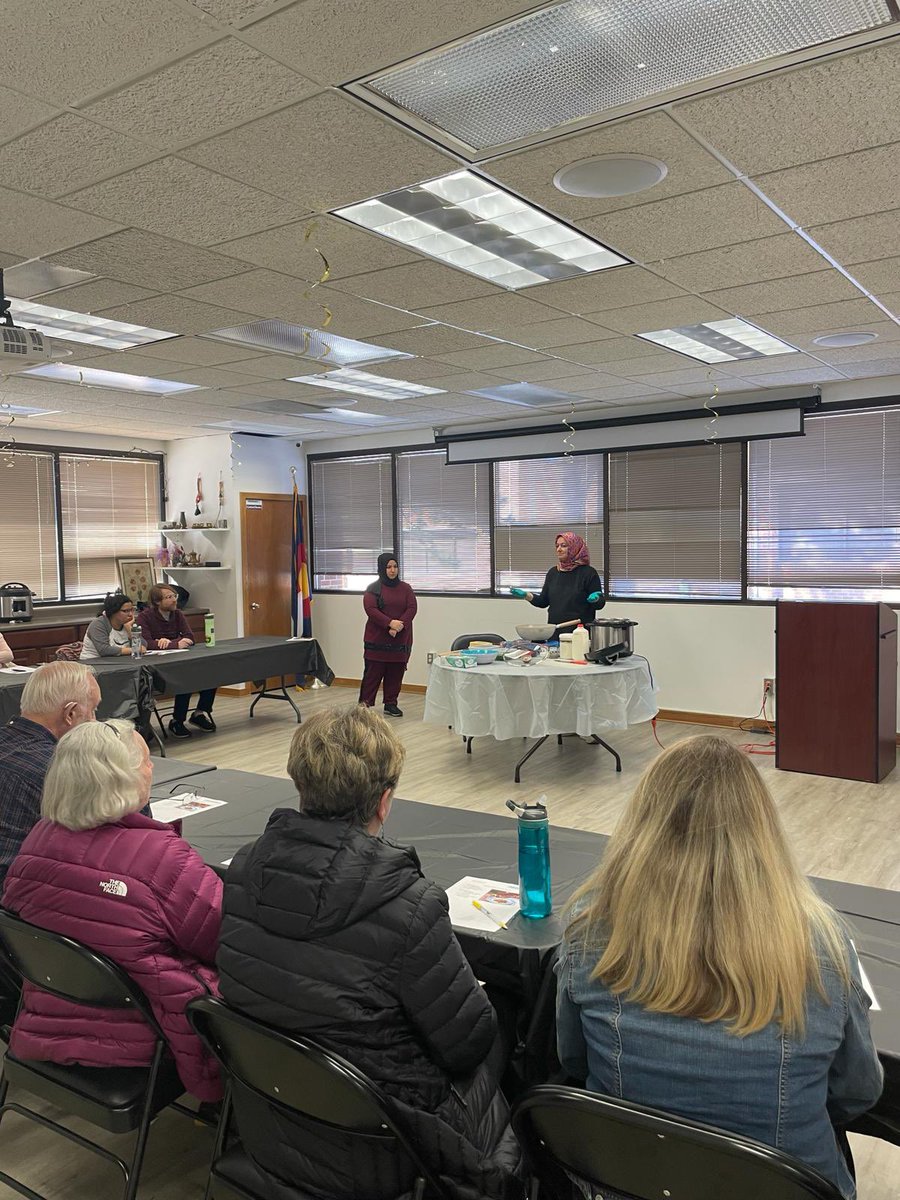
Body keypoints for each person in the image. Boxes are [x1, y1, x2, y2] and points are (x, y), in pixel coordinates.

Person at [556, 735, 883, 1200]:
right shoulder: (823, 945)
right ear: (761, 827)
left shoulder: (588, 930)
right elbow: (857, 1092)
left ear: (642, 822)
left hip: (628, 1183)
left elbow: (572, 1058)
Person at [218, 705, 521, 1200]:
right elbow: (467, 1044)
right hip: (383, 1148)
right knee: (510, 1013)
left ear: (302, 786)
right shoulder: (410, 904)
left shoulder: (243, 869)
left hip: (272, 1117)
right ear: (384, 803)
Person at [2, 719, 223, 1101]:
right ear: (122, 779)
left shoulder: (38, 838)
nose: (152, 767)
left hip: (51, 1017)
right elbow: (226, 940)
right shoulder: (161, 858)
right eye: (145, 760)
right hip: (144, 1031)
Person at [0, 661, 100, 889]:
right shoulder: (61, 768)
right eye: (93, 711)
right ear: (71, 713)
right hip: (21, 902)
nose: (95, 721)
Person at [137, 584, 216, 739]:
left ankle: (199, 713)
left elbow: (189, 637)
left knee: (211, 674)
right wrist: (176, 643)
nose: (174, 600)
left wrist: (172, 642)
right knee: (184, 680)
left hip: (179, 659)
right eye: (169, 597)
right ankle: (177, 721)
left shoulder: (178, 614)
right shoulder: (144, 617)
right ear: (157, 602)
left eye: (175, 596)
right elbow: (145, 642)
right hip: (156, 665)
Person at [510, 532, 603, 635]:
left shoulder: (589, 573)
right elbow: (543, 601)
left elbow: (600, 604)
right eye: (557, 546)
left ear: (575, 548)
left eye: (564, 546)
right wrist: (526, 595)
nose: (559, 549)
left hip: (579, 633)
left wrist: (596, 599)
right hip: (554, 633)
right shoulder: (553, 572)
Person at [360, 552, 417, 718]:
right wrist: (389, 623)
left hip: (400, 638)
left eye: (395, 566)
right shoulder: (373, 589)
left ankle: (391, 704)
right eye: (389, 567)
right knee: (373, 674)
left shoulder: (405, 588)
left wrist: (399, 626)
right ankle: (364, 705)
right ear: (382, 569)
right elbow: (371, 610)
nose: (392, 570)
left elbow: (412, 608)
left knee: (396, 672)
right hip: (377, 639)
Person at [80, 592, 146, 660]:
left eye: (131, 610)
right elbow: (104, 650)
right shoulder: (99, 624)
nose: (130, 614)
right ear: (113, 612)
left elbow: (143, 646)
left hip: (119, 661)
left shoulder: (128, 623)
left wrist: (130, 630)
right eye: (125, 611)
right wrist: (134, 650)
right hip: (92, 662)